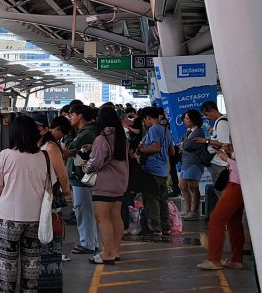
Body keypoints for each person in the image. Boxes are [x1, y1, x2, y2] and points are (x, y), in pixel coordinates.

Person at [0, 117, 59, 293]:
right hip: (36, 218)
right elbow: (50, 186)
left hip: (9, 216)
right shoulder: (43, 157)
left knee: (6, 262)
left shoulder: (5, 155)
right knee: (32, 262)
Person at [83, 107, 129, 263]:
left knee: (102, 217)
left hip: (105, 183)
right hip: (120, 182)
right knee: (116, 216)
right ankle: (115, 251)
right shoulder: (121, 136)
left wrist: (86, 167)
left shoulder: (103, 138)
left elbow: (95, 162)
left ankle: (107, 254)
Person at [37, 116, 74, 293]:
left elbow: (62, 175)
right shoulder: (45, 146)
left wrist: (67, 192)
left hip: (50, 199)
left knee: (50, 241)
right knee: (45, 240)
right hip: (43, 198)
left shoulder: (50, 147)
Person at [198, 143, 246, 270]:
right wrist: (231, 152)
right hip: (239, 185)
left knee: (216, 219)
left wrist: (227, 159)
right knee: (233, 222)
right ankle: (236, 259)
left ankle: (214, 259)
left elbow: (244, 168)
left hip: (236, 185)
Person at [65, 104, 99, 254]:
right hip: (79, 177)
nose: (70, 118)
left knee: (83, 210)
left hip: (81, 178)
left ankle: (87, 243)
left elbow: (70, 146)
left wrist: (70, 136)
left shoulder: (86, 133)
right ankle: (91, 241)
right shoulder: (85, 131)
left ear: (80, 116)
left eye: (72, 115)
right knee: (85, 210)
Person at [136, 106, 173, 235]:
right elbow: (172, 151)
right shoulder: (166, 130)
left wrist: (142, 150)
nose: (144, 123)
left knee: (152, 200)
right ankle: (166, 227)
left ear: (148, 118)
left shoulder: (153, 130)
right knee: (163, 200)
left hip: (153, 170)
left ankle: (155, 228)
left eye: (144, 120)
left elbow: (155, 147)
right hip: (163, 171)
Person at [177, 109, 209, 219]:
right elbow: (182, 144)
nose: (184, 121)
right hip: (186, 162)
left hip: (194, 163)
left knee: (193, 187)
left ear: (193, 119)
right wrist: (183, 145)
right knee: (182, 185)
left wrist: (183, 145)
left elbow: (187, 145)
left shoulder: (199, 132)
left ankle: (194, 212)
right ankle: (187, 209)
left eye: (186, 119)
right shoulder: (188, 131)